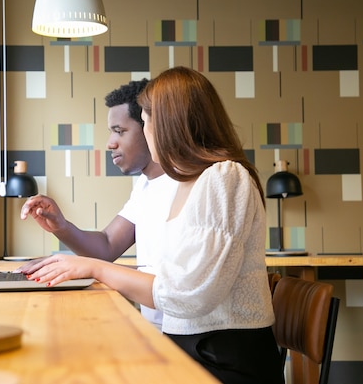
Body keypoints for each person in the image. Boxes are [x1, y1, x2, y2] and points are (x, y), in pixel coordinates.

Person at [18, 66, 285, 384]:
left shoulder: (223, 177)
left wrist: (93, 269)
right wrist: (75, 248)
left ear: (170, 123)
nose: (143, 133)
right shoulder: (184, 180)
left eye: (142, 124)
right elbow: (118, 251)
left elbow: (191, 294)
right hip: (191, 348)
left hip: (222, 360)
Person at [19, 79, 179, 328]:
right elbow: (106, 246)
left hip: (188, 339)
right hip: (160, 331)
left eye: (120, 131)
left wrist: (91, 268)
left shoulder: (188, 184)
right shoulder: (145, 185)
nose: (109, 143)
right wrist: (61, 226)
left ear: (150, 126)